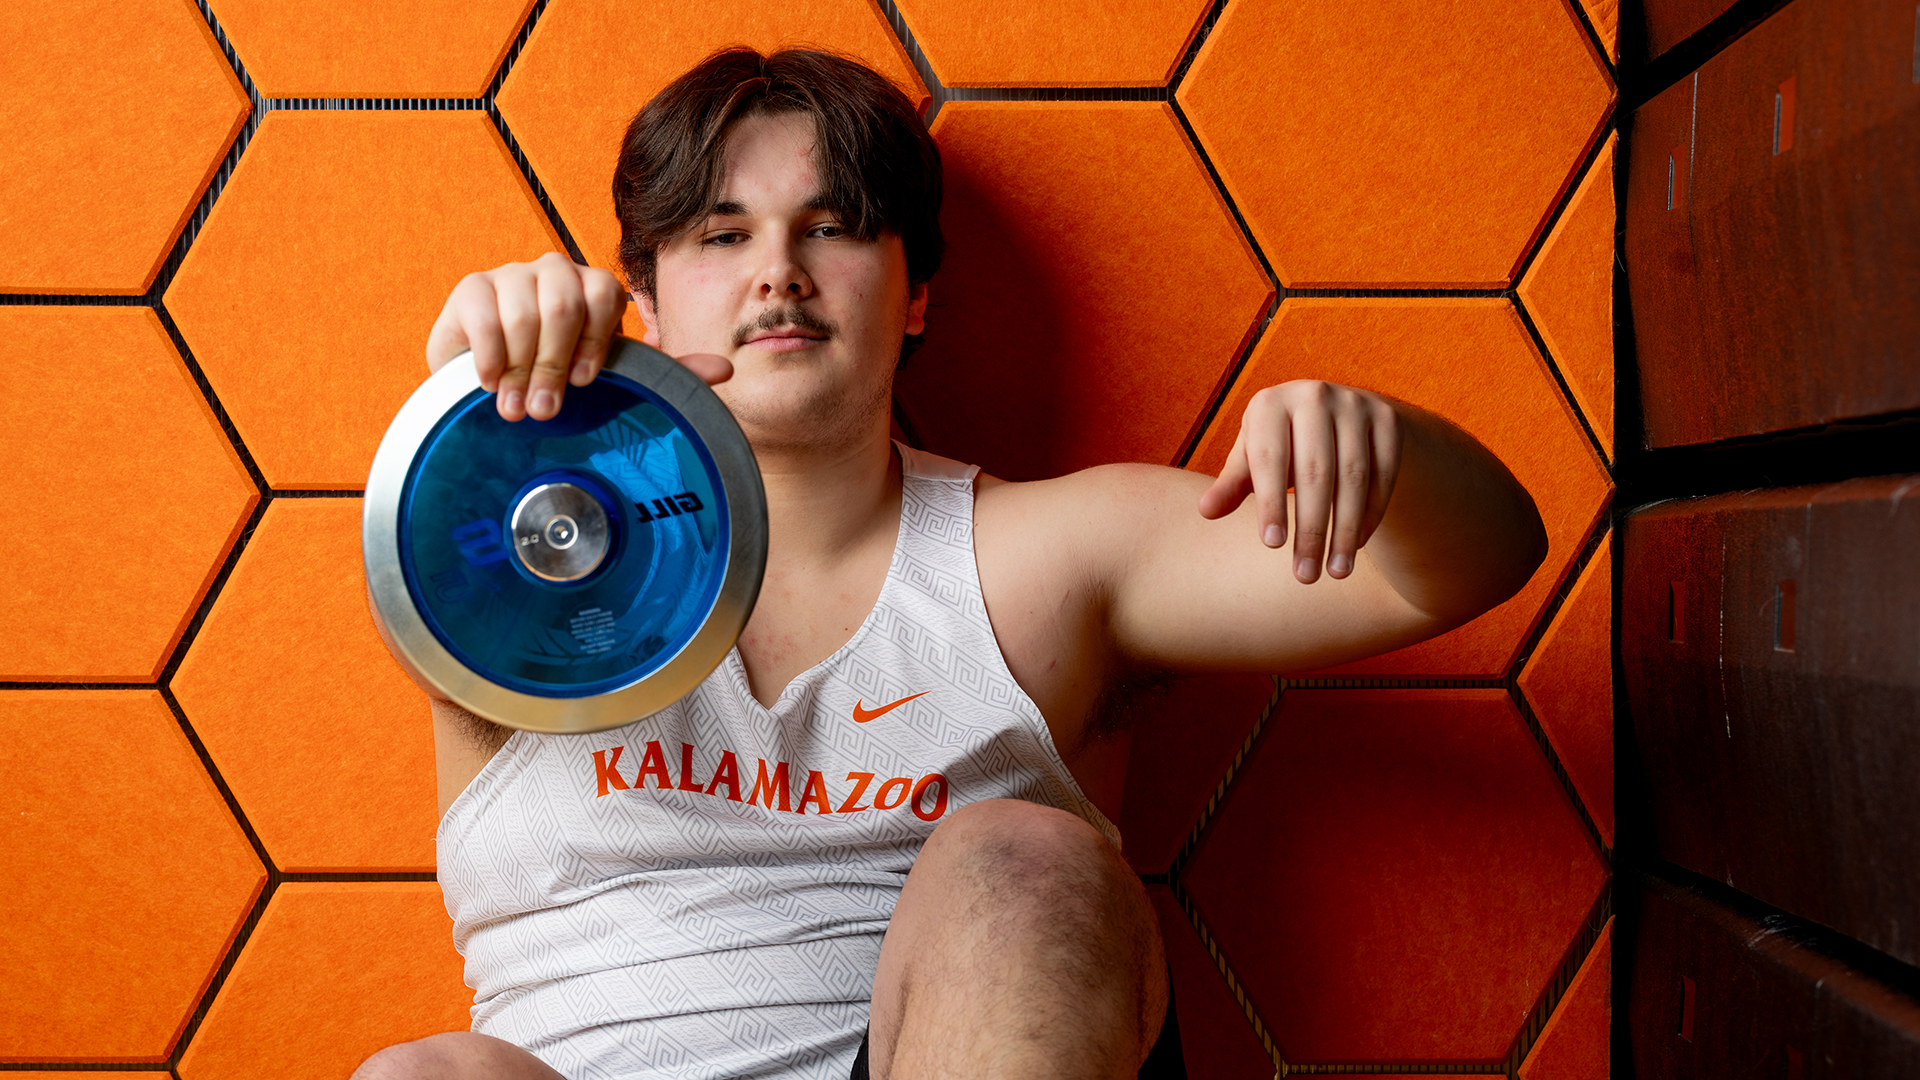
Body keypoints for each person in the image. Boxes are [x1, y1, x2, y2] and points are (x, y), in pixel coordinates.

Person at [354, 47, 1547, 1080]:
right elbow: (449, 484)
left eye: (832, 227)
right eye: (723, 235)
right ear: (646, 306)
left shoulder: (1044, 556)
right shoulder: (516, 559)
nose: (779, 270)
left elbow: (1473, 561)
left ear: (916, 293)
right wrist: (480, 378)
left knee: (1019, 856)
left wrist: (1383, 451)